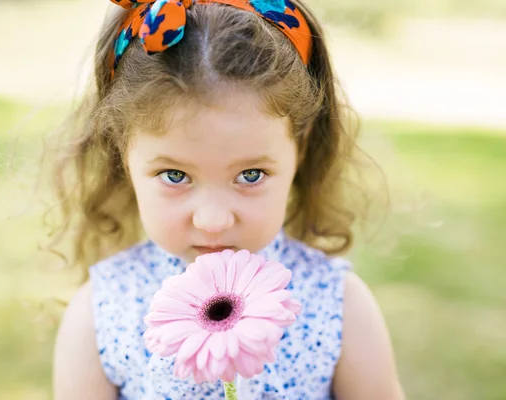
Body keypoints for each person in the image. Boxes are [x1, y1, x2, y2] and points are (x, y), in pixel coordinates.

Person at [51, 0, 405, 398]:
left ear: (299, 149)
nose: (213, 219)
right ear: (123, 154)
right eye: (175, 175)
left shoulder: (337, 305)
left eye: (250, 175)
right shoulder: (102, 312)